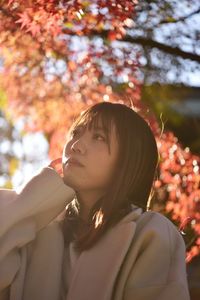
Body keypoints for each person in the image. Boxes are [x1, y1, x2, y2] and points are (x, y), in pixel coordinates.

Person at [0, 102, 190, 300]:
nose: (75, 146)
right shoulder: (38, 229)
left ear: (127, 160)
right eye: (76, 133)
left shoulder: (151, 233)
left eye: (99, 137)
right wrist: (34, 198)